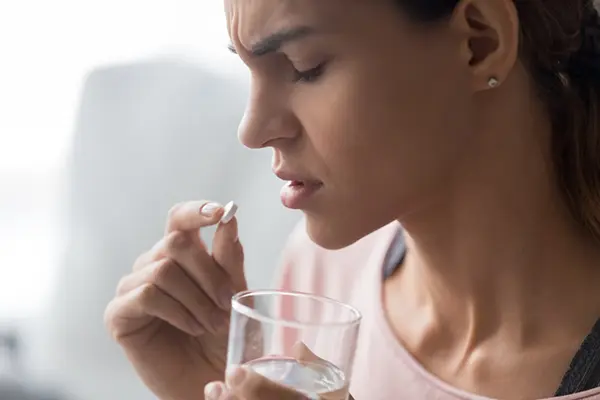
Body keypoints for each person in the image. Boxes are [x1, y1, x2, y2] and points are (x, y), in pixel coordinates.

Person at [104, 0, 600, 398]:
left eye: (305, 67)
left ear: (479, 42)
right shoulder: (322, 280)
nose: (252, 130)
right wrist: (203, 388)